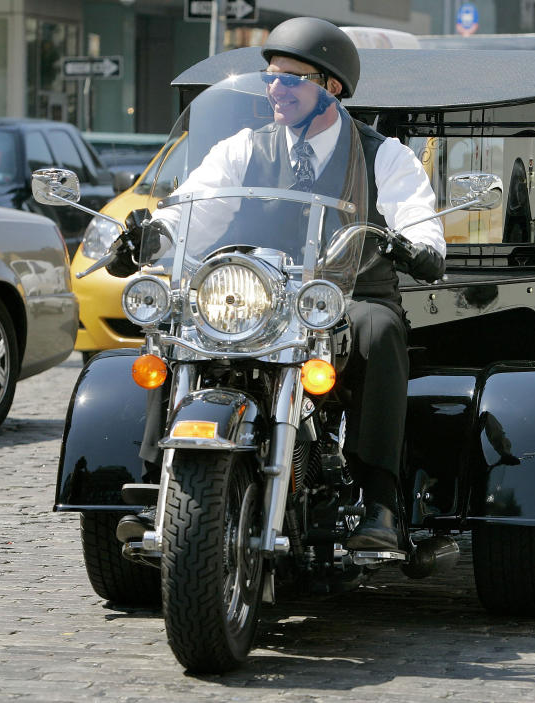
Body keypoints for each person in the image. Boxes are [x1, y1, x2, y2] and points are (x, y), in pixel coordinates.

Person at [108, 17, 445, 552]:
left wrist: (416, 243)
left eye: (290, 79)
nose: (274, 89)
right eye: (270, 76)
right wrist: (153, 236)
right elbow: (198, 205)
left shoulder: (384, 155)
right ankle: (158, 484)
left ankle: (380, 499)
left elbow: (419, 220)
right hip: (258, 295)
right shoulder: (245, 148)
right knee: (178, 322)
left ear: (329, 88)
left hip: (345, 295)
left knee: (380, 331)